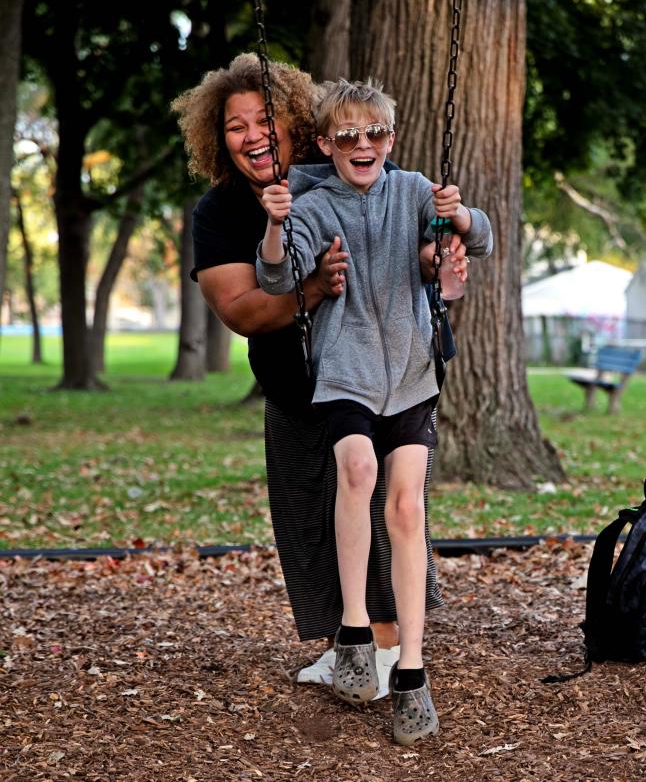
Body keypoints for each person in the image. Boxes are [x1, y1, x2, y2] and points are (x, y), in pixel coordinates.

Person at [170, 54, 466, 684]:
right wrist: (310, 290)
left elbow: (393, 241)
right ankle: (347, 645)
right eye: (235, 125)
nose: (252, 135)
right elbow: (242, 309)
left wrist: (436, 253)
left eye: (264, 119)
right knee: (307, 514)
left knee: (385, 502)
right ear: (217, 139)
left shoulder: (333, 175)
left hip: (371, 374)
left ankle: (390, 645)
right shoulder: (221, 211)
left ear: (298, 125)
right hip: (292, 380)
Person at [256, 78, 493, 744]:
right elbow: (276, 276)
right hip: (346, 374)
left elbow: (481, 240)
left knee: (408, 508)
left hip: (413, 375)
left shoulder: (415, 190)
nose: (364, 146)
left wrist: (456, 225)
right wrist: (276, 225)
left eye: (376, 135)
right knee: (356, 472)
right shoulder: (307, 199)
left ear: (390, 139)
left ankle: (413, 671)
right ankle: (355, 630)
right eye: (348, 136)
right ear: (327, 143)